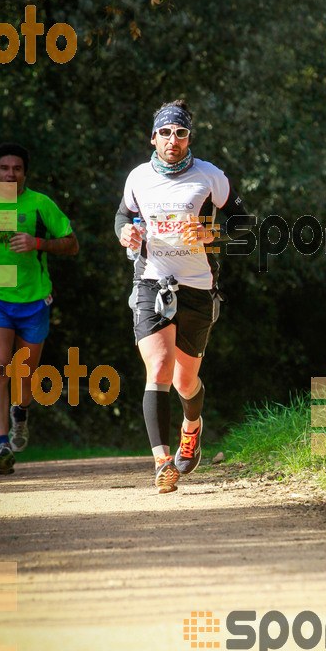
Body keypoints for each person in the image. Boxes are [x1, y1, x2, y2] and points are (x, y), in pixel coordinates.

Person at [115, 99, 252, 494]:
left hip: (197, 286)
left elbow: (244, 221)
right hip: (152, 282)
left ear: (189, 137)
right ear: (153, 137)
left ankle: (191, 427)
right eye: (165, 132)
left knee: (185, 381)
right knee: (157, 368)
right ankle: (162, 462)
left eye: (181, 132)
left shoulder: (210, 177)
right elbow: (123, 216)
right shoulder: (138, 177)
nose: (173, 139)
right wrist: (125, 232)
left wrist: (214, 235)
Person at [0, 143, 79, 475]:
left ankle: (21, 415)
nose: (10, 174)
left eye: (16, 168)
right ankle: (2, 444)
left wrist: (38, 243)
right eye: (4, 168)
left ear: (25, 173)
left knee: (24, 374)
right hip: (1, 298)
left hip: (34, 299)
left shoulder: (39, 204)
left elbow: (72, 244)